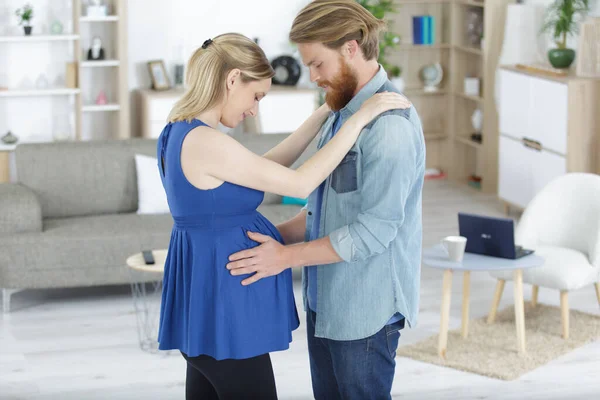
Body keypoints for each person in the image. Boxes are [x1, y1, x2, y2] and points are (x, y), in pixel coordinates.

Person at [155, 32, 411, 400]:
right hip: (227, 309)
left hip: (210, 305)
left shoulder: (181, 132)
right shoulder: (205, 142)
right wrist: (361, 117)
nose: (253, 110)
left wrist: (325, 112)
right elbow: (300, 183)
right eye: (256, 95)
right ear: (232, 80)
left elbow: (262, 168)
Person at [226, 1, 426, 399]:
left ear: (351, 48)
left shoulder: (389, 128)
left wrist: (283, 258)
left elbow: (373, 231)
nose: (312, 76)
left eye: (318, 63)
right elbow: (325, 209)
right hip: (326, 302)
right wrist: (269, 239)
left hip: (364, 313)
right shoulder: (342, 112)